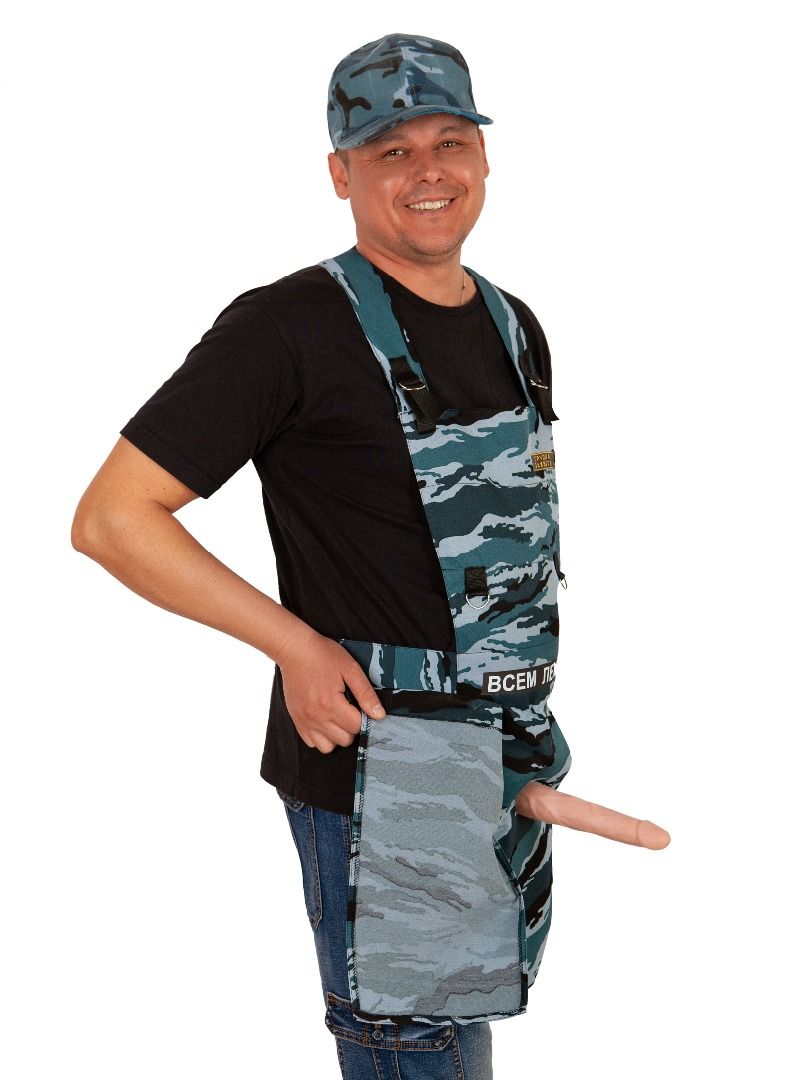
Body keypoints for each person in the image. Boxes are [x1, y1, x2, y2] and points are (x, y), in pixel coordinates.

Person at [72, 33, 573, 1080]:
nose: (428, 170)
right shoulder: (286, 327)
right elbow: (114, 518)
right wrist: (294, 645)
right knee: (410, 1042)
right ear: (341, 173)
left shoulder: (513, 324)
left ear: (484, 157)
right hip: (385, 768)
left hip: (500, 749)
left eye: (450, 141)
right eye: (391, 150)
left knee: (458, 1032)